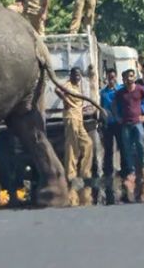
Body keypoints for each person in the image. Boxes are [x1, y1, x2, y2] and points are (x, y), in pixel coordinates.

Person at [56, 67, 93, 205]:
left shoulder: (78, 87)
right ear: (71, 75)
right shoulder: (68, 85)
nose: (77, 77)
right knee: (72, 147)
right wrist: (66, 100)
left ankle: (85, 173)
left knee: (88, 143)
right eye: (75, 74)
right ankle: (71, 175)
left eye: (79, 75)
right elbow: (57, 90)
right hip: (71, 118)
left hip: (80, 120)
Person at [114, 69, 144, 197]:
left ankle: (142, 169)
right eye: (127, 76)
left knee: (141, 146)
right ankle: (131, 171)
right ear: (123, 78)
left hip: (137, 123)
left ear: (134, 77)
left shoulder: (140, 89)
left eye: (131, 76)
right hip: (125, 123)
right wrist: (117, 117)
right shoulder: (120, 92)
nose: (129, 78)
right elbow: (113, 106)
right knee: (127, 148)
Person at [98, 68, 122, 179]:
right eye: (109, 78)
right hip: (108, 123)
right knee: (108, 148)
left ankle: (124, 169)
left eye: (113, 77)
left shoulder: (120, 90)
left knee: (122, 147)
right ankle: (107, 170)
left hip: (119, 123)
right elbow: (101, 107)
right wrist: (101, 122)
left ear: (116, 77)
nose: (111, 80)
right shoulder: (103, 93)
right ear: (106, 78)